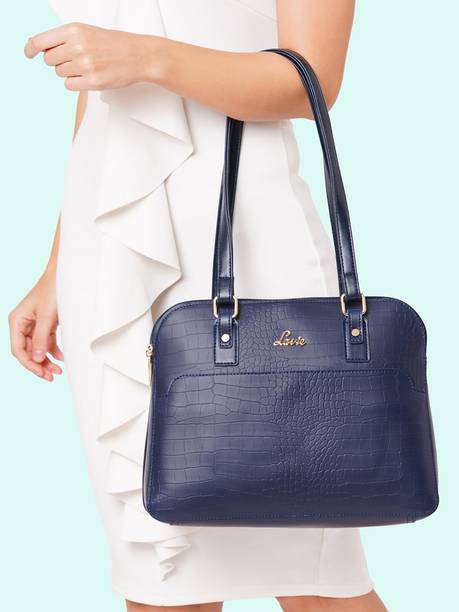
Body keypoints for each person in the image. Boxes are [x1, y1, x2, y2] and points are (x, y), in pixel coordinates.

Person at [9, 1, 387, 610]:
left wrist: (148, 57)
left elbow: (310, 80)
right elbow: (104, 93)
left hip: (248, 236)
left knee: (312, 578)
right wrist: (55, 269)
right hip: (110, 248)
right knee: (160, 578)